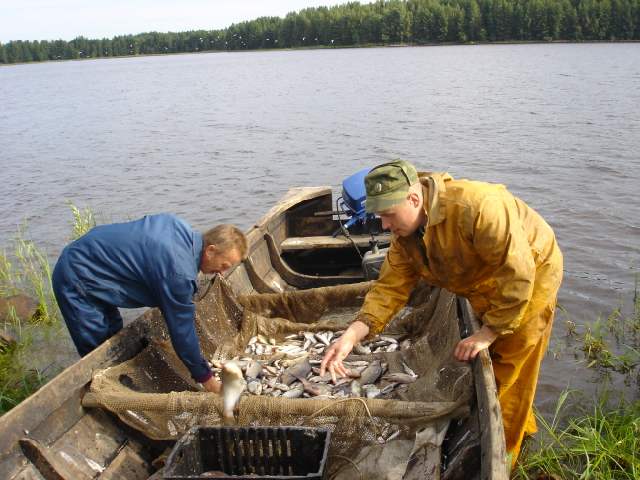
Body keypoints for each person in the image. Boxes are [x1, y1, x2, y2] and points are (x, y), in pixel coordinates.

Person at [321, 160, 563, 467]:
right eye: (379, 216)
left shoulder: (478, 207)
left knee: (509, 371)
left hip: (533, 274)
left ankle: (508, 458)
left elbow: (518, 274)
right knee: (497, 365)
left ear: (414, 198)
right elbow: (388, 289)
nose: (384, 225)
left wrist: (488, 332)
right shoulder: (406, 237)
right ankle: (524, 431)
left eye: (388, 214)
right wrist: (352, 335)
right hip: (484, 280)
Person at [52, 213, 247, 394]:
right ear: (211, 251)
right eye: (224, 265)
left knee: (112, 332)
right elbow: (182, 331)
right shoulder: (179, 273)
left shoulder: (179, 227)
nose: (222, 273)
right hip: (77, 274)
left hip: (97, 260)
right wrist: (206, 379)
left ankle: (119, 383)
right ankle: (104, 393)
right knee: (96, 352)